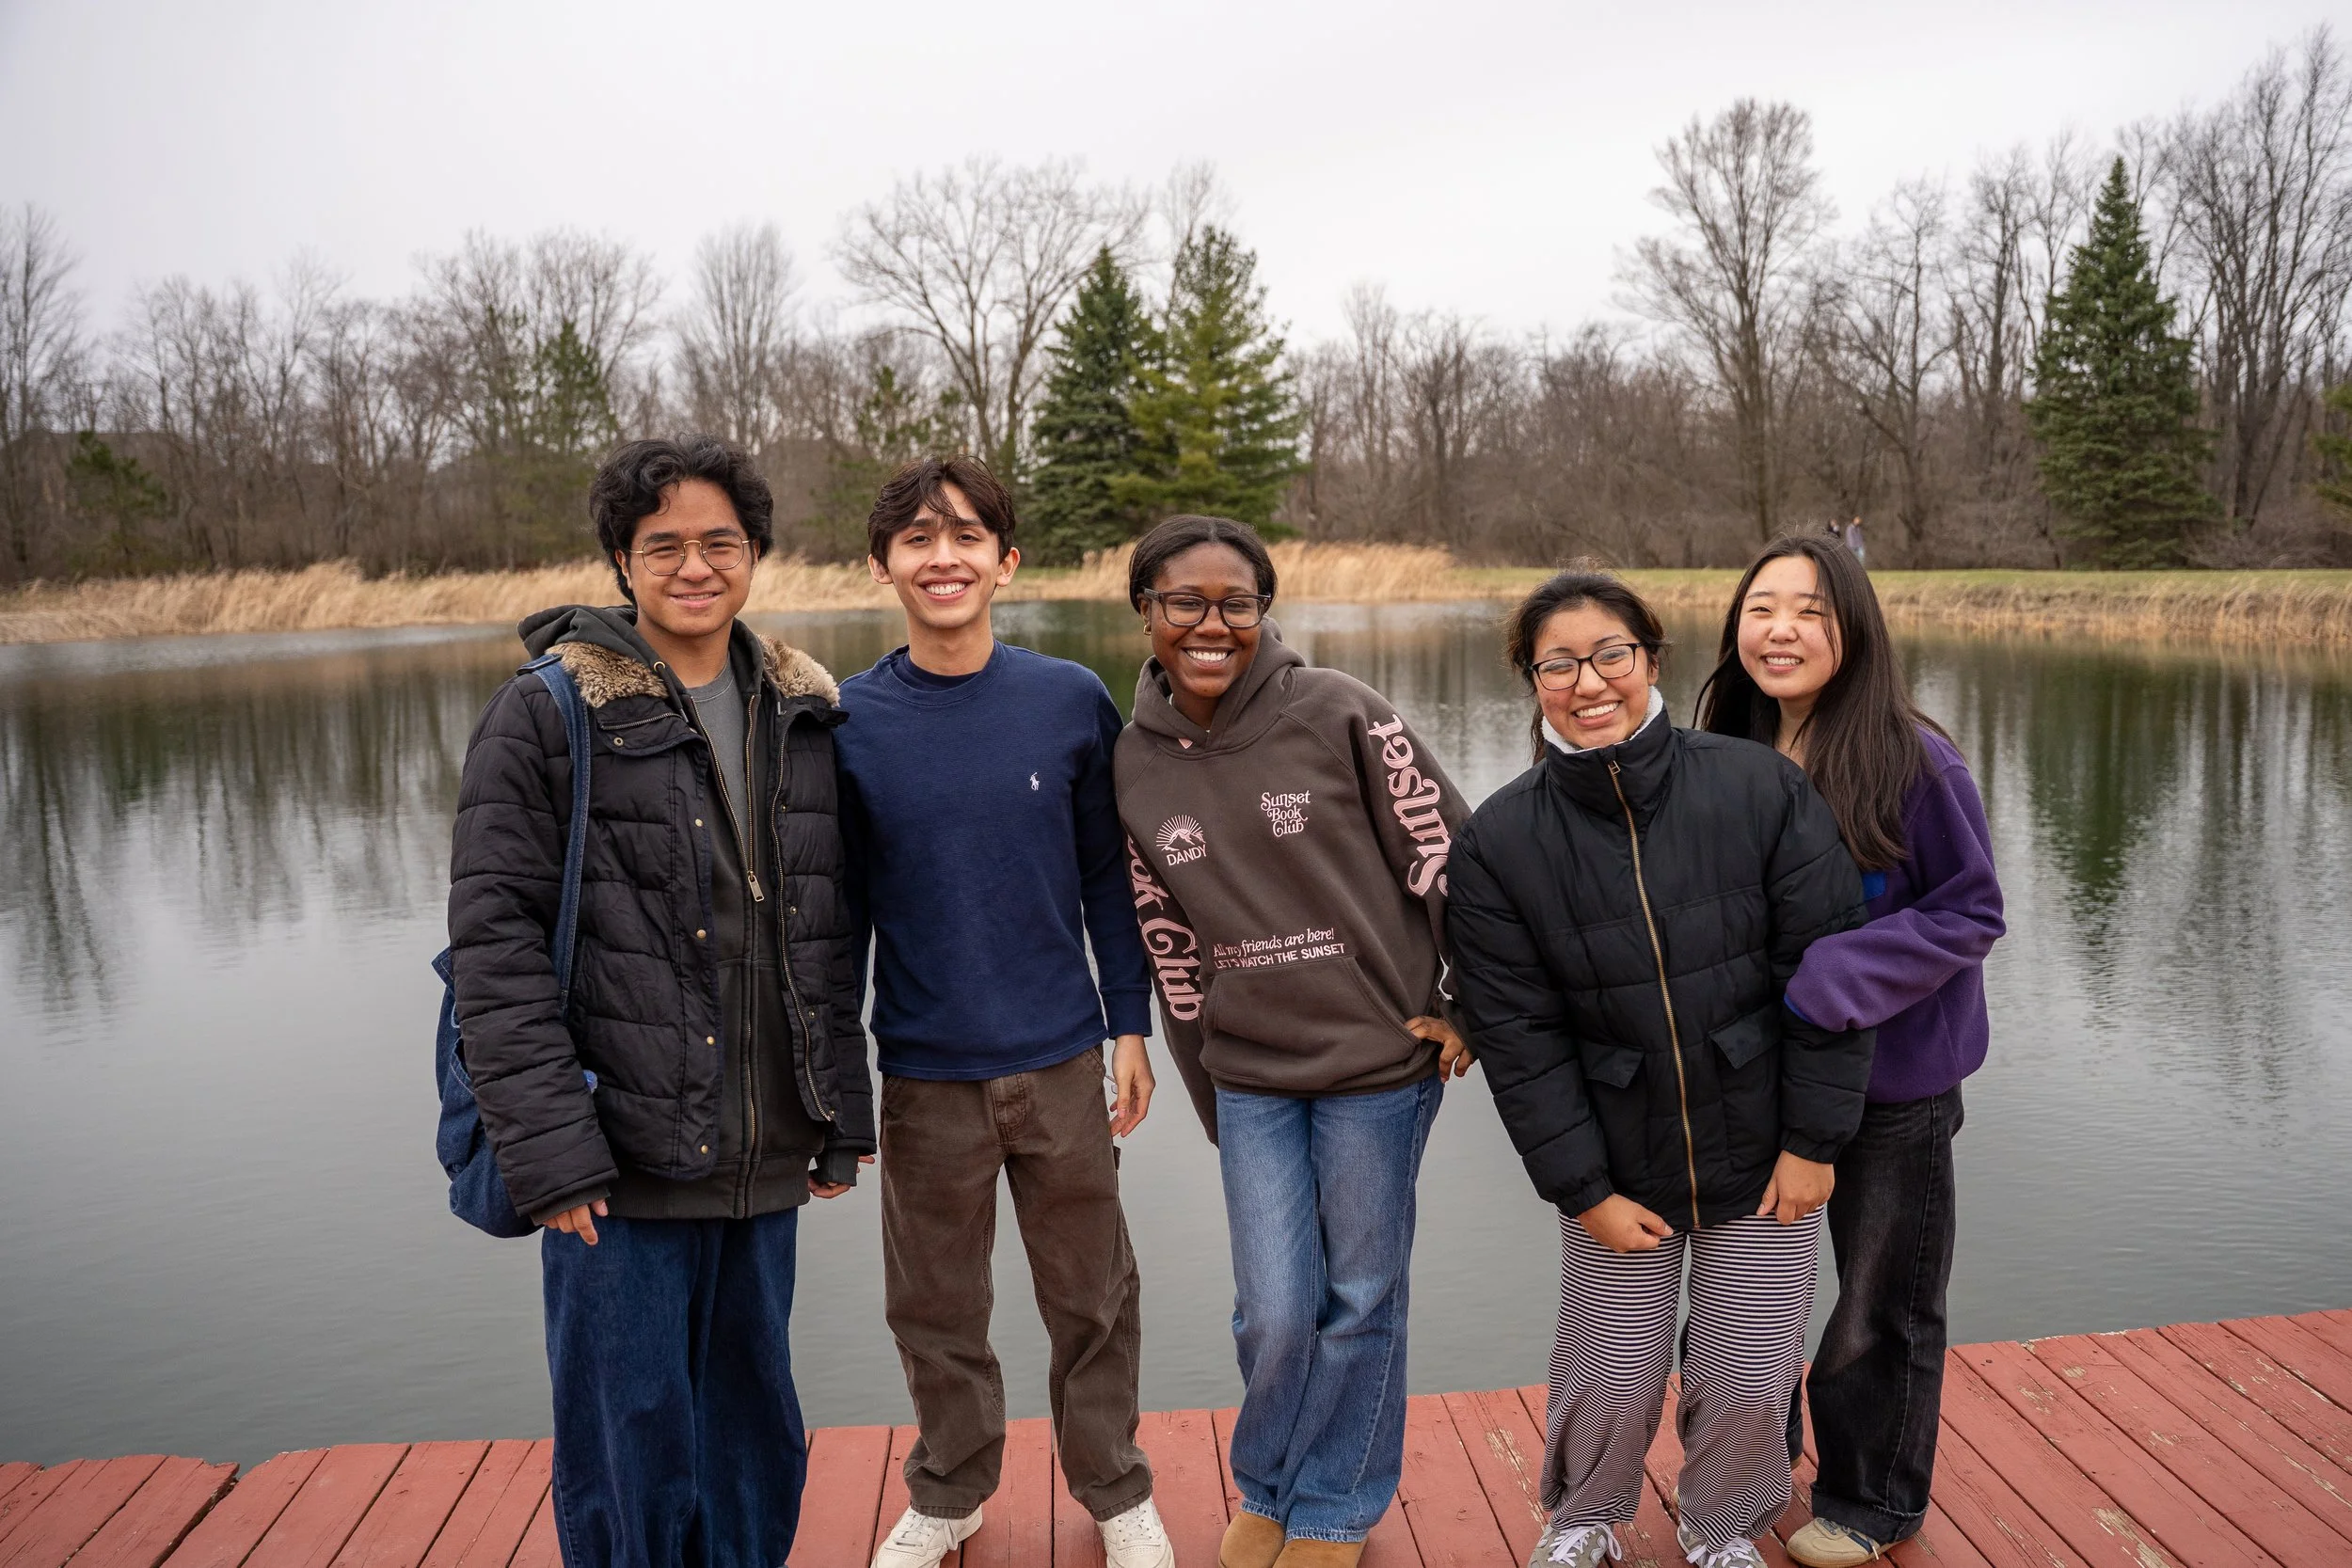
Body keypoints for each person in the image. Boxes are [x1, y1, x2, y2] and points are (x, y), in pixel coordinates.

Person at [447, 435, 875, 1568]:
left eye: (719, 541)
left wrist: (837, 1116)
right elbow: (491, 950)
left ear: (754, 555)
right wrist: (551, 1151)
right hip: (614, 1158)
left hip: (760, 1143)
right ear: (623, 561)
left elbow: (824, 930)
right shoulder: (547, 713)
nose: (695, 565)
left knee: (753, 1431)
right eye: (664, 544)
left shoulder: (801, 710)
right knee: (632, 1439)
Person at [1446, 571, 1875, 1568]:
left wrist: (1814, 1141)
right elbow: (1518, 1035)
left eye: (1610, 655)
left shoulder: (1757, 786)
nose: (1587, 681)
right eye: (1557, 662)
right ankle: (1583, 1515)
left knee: (1746, 1375)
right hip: (1614, 1161)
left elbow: (1825, 975)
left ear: (1649, 658)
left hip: (1765, 1150)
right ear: (1531, 678)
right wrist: (1583, 1188)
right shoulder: (1499, 842)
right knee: (1610, 1372)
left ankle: (1718, 1522)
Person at [834, 456, 1174, 1568]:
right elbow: (837, 924)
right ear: (882, 564)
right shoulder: (845, 721)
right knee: (934, 1306)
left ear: (1005, 559)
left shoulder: (1068, 697)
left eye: (967, 535)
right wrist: (838, 1080)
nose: (945, 556)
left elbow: (1106, 880)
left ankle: (1114, 1487)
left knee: (1094, 1295)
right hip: (925, 1070)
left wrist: (1131, 1022)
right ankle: (951, 1489)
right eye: (919, 539)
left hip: (1066, 1059)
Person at [1113, 515, 1471, 1568]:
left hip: (1378, 1063)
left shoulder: (1341, 710)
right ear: (1147, 610)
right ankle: (1267, 1482)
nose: (1211, 623)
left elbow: (1453, 860)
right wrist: (1205, 1085)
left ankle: (1334, 1505)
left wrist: (1471, 1006)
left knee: (1359, 1297)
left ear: (1264, 610)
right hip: (1251, 1072)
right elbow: (1166, 942)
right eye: (1186, 601)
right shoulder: (1129, 762)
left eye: (1237, 601)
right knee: (1273, 1307)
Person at [1697, 536, 2003, 1568]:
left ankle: (1871, 1499)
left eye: (1810, 610)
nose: (1780, 629)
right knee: (1745, 1290)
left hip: (1893, 1086)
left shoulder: (1915, 757)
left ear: (1854, 629)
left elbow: (1970, 910)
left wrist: (1828, 979)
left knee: (1880, 1297)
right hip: (1756, 1082)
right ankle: (1749, 1467)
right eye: (1761, 607)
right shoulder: (1721, 751)